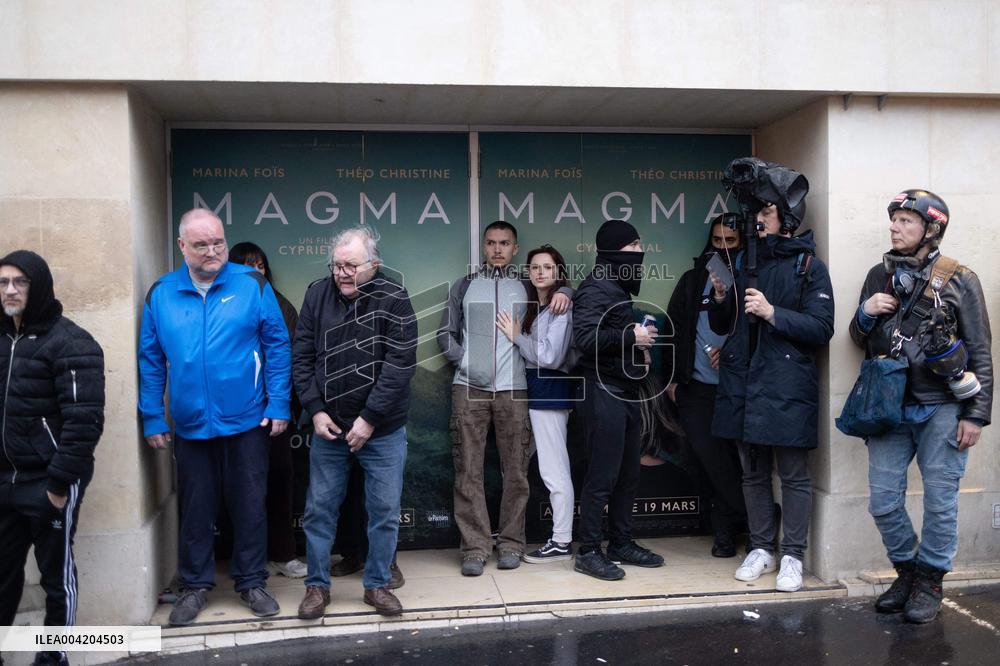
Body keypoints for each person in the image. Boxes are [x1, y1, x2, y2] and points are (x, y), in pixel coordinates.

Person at [139, 208, 291, 626]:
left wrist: (278, 403)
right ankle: (195, 585)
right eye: (202, 245)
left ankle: (251, 581)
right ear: (182, 246)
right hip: (190, 426)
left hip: (247, 421)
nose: (213, 252)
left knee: (249, 505)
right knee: (195, 509)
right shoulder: (161, 293)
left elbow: (278, 347)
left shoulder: (251, 285)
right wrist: (153, 415)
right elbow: (150, 360)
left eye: (218, 243)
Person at [849, 189, 992, 623]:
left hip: (943, 408)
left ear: (932, 229)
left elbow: (981, 351)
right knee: (883, 501)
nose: (894, 227)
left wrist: (976, 414)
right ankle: (908, 571)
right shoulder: (879, 274)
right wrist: (866, 312)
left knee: (940, 501)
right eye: (893, 220)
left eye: (906, 221)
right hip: (887, 407)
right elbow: (859, 339)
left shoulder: (960, 279)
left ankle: (930, 581)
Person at [708, 165, 834, 594]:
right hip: (744, 380)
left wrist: (773, 313)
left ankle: (793, 555)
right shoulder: (744, 260)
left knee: (794, 474)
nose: (759, 218)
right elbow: (727, 324)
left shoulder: (809, 266)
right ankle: (761, 547)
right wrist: (723, 298)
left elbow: (821, 328)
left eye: (767, 210)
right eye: (757, 210)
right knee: (752, 471)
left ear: (786, 215)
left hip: (786, 386)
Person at [293, 226, 416, 619]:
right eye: (336, 265)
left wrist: (369, 419)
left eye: (350, 265)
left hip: (382, 430)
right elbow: (302, 358)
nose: (342, 273)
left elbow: (399, 366)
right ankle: (316, 588)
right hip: (328, 427)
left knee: (383, 510)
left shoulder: (395, 299)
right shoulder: (316, 295)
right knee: (319, 510)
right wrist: (316, 409)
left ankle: (377, 584)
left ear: (373, 265)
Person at [436, 221, 570, 576]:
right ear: (484, 246)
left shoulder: (526, 285)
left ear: (514, 248)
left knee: (517, 471)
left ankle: (511, 543)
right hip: (469, 388)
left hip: (514, 388)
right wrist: (467, 362)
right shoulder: (464, 285)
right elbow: (445, 334)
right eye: (491, 243)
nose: (497, 249)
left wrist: (567, 293)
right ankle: (475, 549)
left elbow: (558, 289)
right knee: (468, 471)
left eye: (505, 243)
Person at [0, 251, 105, 666]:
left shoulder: (73, 343)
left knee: (54, 577)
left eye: (19, 282)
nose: (10, 290)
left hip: (49, 483)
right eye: (3, 282)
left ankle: (53, 657)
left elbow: (84, 423)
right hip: (3, 481)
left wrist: (59, 486)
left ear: (38, 286)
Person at [571, 219, 665, 581]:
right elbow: (584, 339)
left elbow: (611, 340)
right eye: (632, 247)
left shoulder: (616, 288)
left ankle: (621, 543)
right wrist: (632, 334)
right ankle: (589, 550)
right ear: (613, 250)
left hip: (624, 392)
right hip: (602, 392)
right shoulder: (595, 288)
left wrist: (638, 346)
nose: (639, 252)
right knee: (602, 475)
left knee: (628, 473)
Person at [665, 217, 747, 558]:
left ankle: (727, 531)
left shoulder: (749, 278)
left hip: (738, 388)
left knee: (736, 464)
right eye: (717, 240)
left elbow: (757, 329)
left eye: (731, 240)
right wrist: (670, 379)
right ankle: (756, 519)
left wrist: (732, 352)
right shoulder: (691, 281)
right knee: (709, 461)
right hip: (695, 389)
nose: (724, 247)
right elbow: (672, 331)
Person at [228, 241, 307, 580]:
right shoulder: (221, 303)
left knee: (279, 482)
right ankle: (246, 561)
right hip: (235, 414)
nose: (254, 272)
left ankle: (283, 554)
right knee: (239, 489)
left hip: (273, 413)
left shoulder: (281, 305)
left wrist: (282, 406)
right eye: (247, 266)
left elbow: (293, 357)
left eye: (259, 265)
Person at [497, 245, 577, 563]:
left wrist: (517, 335)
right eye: (534, 268)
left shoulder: (561, 307)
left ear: (559, 271)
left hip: (551, 393)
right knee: (538, 468)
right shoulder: (539, 305)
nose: (540, 272)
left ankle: (561, 541)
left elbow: (550, 357)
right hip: (536, 393)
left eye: (547, 267)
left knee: (554, 470)